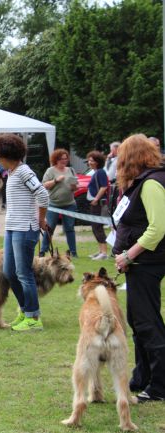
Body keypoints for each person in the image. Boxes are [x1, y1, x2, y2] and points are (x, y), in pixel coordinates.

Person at [112, 133, 165, 403]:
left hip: (147, 262)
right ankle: (142, 376)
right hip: (139, 263)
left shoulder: (152, 184)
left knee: (148, 322)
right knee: (137, 321)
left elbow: (157, 229)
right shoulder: (142, 182)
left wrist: (128, 256)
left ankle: (159, 385)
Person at [0, 134, 49, 331]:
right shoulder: (13, 172)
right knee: (10, 272)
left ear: (7, 155)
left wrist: (41, 219)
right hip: (12, 228)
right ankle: (26, 311)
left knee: (24, 274)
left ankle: (33, 318)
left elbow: (42, 194)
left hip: (25, 229)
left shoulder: (24, 172)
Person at [39, 149, 79, 258]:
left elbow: (76, 187)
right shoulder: (50, 171)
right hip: (53, 205)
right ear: (56, 159)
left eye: (66, 158)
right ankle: (43, 251)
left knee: (69, 228)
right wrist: (56, 180)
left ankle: (73, 252)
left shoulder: (71, 170)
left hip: (69, 204)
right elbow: (44, 185)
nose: (64, 161)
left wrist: (74, 187)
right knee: (49, 227)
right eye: (62, 159)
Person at [86, 150, 109, 260]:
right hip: (95, 203)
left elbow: (104, 187)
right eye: (89, 160)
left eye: (92, 160)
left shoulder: (100, 172)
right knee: (95, 227)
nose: (89, 162)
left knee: (97, 227)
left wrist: (96, 199)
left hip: (98, 204)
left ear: (97, 162)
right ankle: (100, 251)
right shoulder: (96, 172)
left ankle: (104, 253)